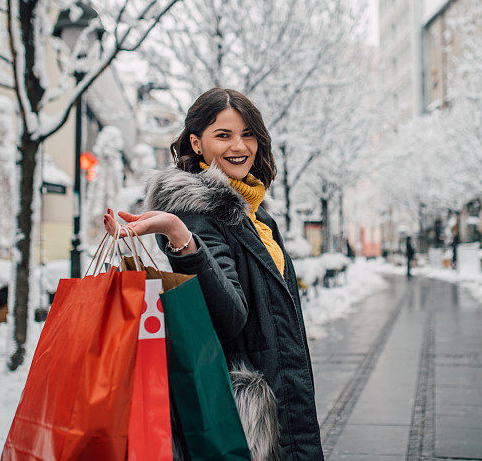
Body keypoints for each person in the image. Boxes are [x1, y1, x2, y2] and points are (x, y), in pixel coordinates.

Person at [104, 88, 322, 460]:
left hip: (288, 398)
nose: (240, 146)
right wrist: (180, 236)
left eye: (248, 133)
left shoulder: (256, 214)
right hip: (248, 418)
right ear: (196, 143)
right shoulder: (198, 216)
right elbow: (229, 318)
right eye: (223, 135)